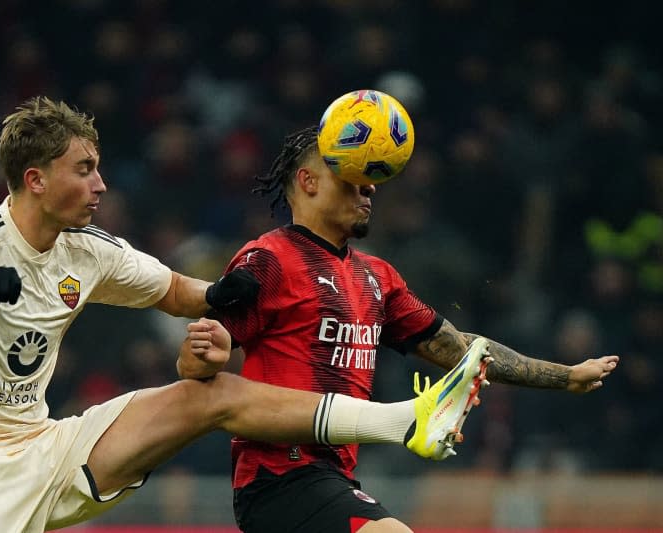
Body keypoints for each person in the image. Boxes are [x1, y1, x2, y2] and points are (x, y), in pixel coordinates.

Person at [0, 96, 493, 533]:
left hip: (50, 447)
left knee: (210, 394)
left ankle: (406, 419)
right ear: (35, 179)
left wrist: (222, 293)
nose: (101, 184)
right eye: (84, 170)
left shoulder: (90, 251)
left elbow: (177, 290)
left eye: (99, 167)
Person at [189, 124, 620, 533]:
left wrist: (565, 376)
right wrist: (201, 356)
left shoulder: (377, 277)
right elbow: (196, 364)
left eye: (371, 179)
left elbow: (462, 350)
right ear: (308, 182)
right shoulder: (268, 260)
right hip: (278, 476)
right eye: (352, 177)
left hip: (335, 476)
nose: (370, 188)